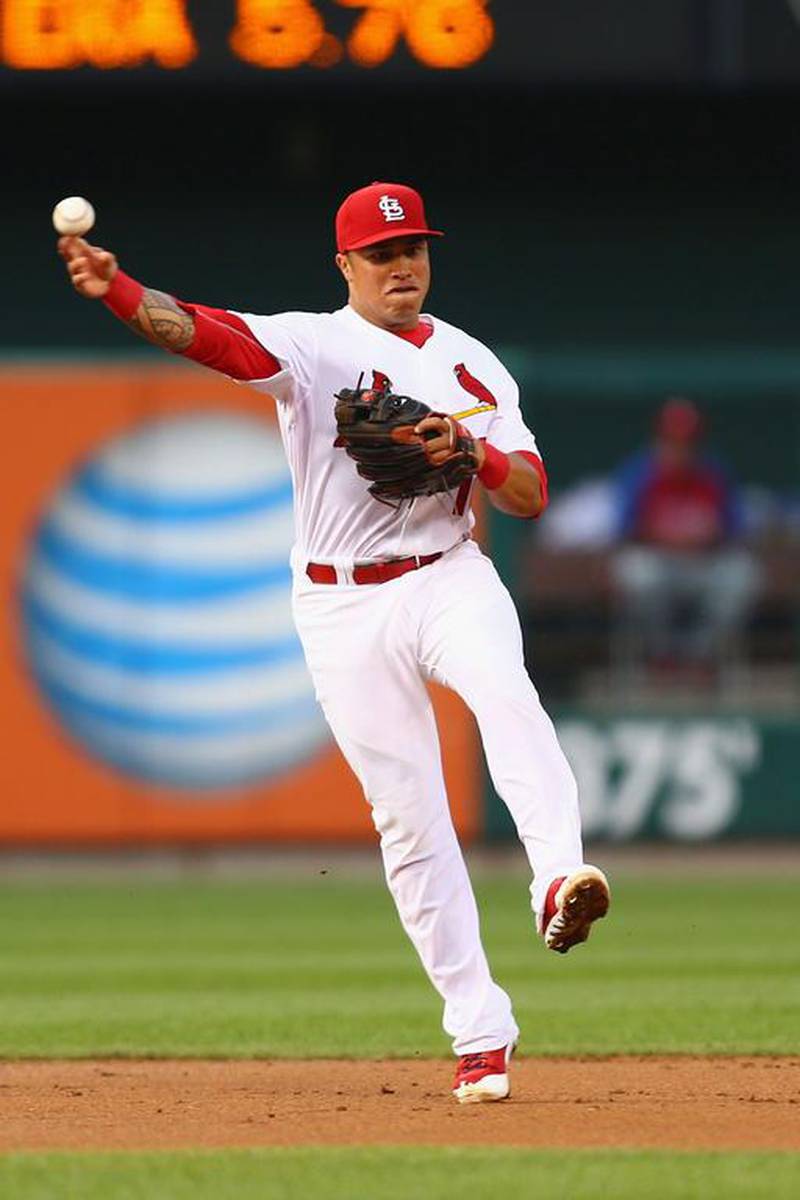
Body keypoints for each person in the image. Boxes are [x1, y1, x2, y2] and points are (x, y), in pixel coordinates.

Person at [58, 181, 610, 1104]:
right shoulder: (312, 346)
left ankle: (557, 881)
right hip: (340, 604)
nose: (404, 266)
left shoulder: (474, 366)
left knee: (506, 696)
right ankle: (480, 1033)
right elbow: (204, 334)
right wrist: (120, 291)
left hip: (445, 572)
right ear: (346, 265)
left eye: (416, 249)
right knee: (408, 819)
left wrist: (475, 456)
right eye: (383, 254)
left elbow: (531, 495)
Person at [613, 397, 759, 674]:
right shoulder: (640, 474)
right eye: (673, 440)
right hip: (659, 562)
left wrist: (706, 538)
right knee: (636, 573)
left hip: (705, 563)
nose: (680, 449)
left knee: (742, 574)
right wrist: (667, 538)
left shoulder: (714, 474)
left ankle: (698, 657)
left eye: (687, 442)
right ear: (659, 439)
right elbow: (623, 531)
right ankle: (662, 655)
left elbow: (737, 531)